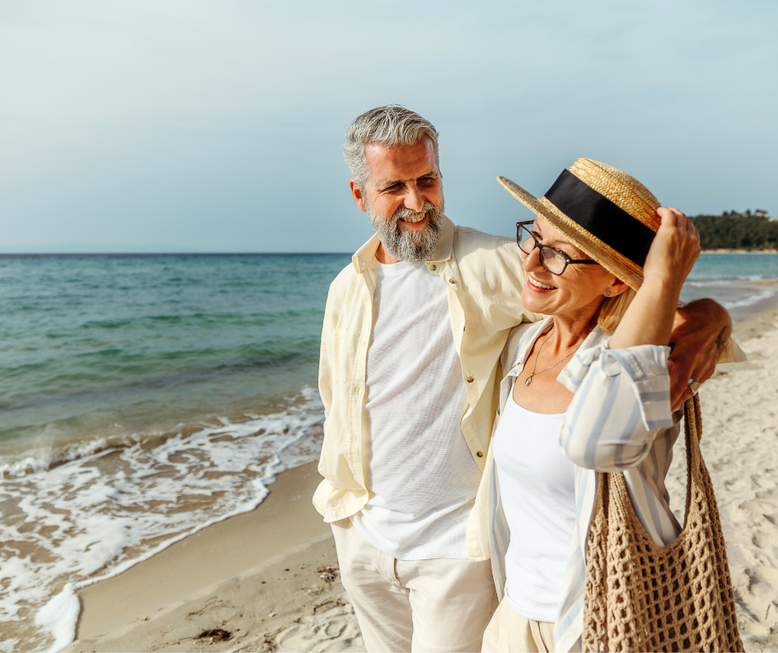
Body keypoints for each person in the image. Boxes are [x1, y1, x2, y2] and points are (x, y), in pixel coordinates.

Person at [313, 106, 737, 653]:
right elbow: (339, 404)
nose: (416, 202)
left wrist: (711, 313)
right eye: (394, 186)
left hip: (456, 549)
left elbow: (628, 305)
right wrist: (347, 519)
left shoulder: (494, 263)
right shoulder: (346, 287)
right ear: (359, 195)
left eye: (427, 180)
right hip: (362, 535)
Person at [480, 159, 742, 652]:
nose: (533, 263)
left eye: (559, 255)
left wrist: (669, 285)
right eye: (531, 238)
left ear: (617, 281)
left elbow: (596, 444)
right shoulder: (522, 344)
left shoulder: (651, 365)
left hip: (605, 618)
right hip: (514, 614)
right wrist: (713, 312)